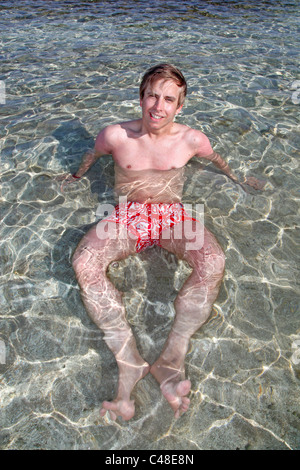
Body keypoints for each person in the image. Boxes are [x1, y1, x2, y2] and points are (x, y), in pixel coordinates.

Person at [60, 64, 265, 421]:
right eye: (152, 95)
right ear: (141, 97)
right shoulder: (115, 136)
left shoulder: (191, 140)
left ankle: (171, 361)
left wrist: (237, 177)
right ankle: (129, 361)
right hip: (129, 216)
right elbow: (93, 156)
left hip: (172, 217)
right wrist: (77, 175)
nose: (158, 106)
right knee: (84, 262)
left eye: (168, 99)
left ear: (179, 106)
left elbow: (214, 158)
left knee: (213, 262)